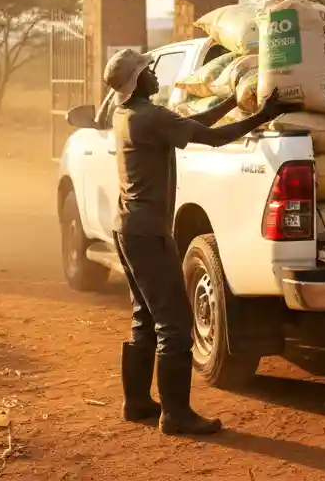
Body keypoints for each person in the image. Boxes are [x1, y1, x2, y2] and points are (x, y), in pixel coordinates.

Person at [103, 48, 290, 436]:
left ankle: (137, 402)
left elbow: (190, 126)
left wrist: (230, 102)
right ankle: (176, 415)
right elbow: (212, 138)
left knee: (145, 317)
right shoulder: (150, 116)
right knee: (175, 324)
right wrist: (262, 116)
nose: (156, 75)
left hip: (127, 229)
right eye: (148, 71)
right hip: (149, 233)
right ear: (137, 80)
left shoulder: (127, 115)